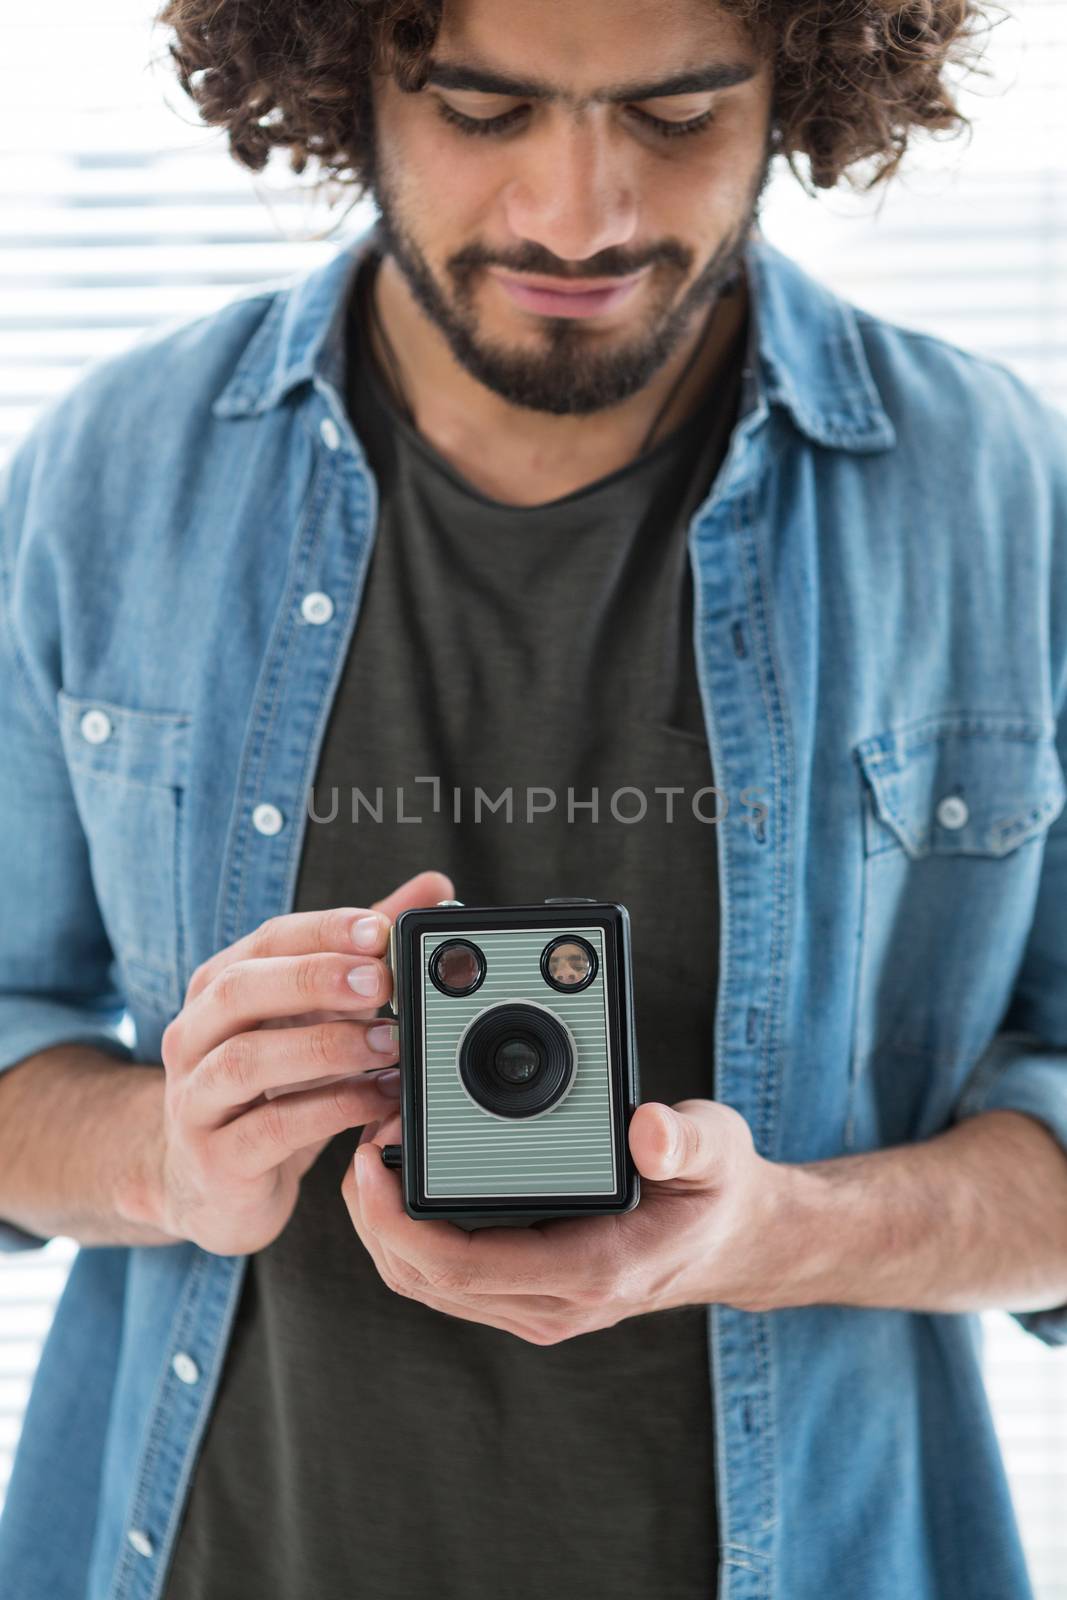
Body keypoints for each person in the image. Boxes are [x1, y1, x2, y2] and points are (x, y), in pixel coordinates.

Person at [1, 0, 1066, 1596]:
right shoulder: (113, 472)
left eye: (680, 116)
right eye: (485, 113)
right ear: (336, 74)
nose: (580, 215)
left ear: (805, 84)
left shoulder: (991, 491)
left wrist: (774, 1231)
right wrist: (169, 1155)